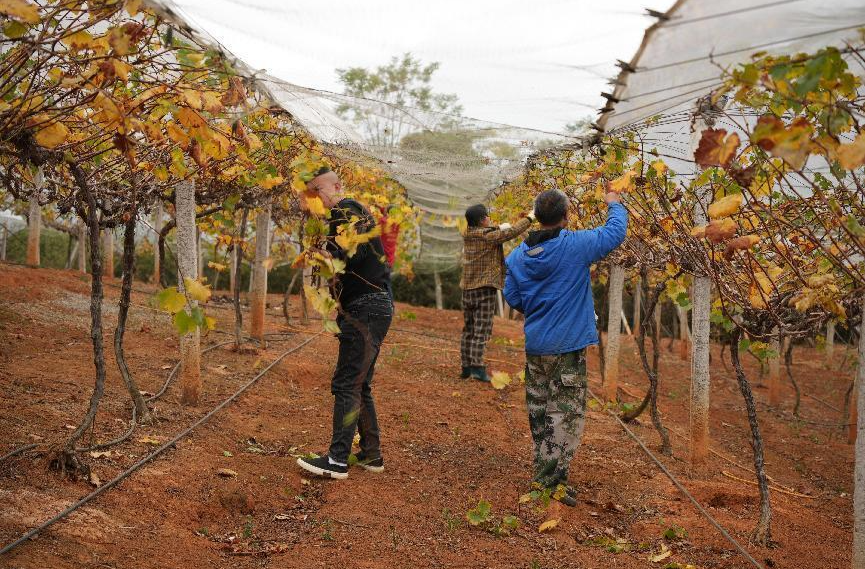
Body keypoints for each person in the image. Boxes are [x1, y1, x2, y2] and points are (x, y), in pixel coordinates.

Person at [504, 188, 627, 506]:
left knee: (540, 411)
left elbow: (513, 298)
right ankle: (546, 483)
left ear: (536, 216)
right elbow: (615, 232)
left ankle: (553, 478)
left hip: (537, 345)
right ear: (565, 215)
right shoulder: (575, 246)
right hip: (567, 346)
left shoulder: (517, 256)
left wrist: (538, 302)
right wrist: (614, 202)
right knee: (565, 414)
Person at [297, 167, 393, 480]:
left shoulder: (345, 209)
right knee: (359, 382)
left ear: (336, 186)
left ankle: (337, 460)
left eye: (316, 189)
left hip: (366, 308)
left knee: (347, 383)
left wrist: (319, 253)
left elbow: (342, 255)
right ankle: (371, 454)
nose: (315, 198)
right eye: (309, 192)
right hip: (373, 306)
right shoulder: (353, 213)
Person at [460, 203, 533, 382]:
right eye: (487, 217)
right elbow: (510, 233)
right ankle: (477, 368)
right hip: (484, 289)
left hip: (467, 289)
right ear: (483, 220)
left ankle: (466, 367)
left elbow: (492, 232)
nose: (490, 219)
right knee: (482, 330)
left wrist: (499, 227)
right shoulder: (488, 236)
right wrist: (530, 218)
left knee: (468, 329)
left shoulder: (469, 234)